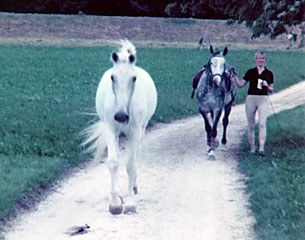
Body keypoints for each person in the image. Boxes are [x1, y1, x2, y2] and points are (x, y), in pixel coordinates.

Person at [231, 51, 274, 156]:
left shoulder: (269, 73)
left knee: (263, 124)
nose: (261, 60)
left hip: (263, 99)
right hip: (251, 98)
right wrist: (234, 77)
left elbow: (271, 90)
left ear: (265, 60)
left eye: (263, 58)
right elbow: (241, 85)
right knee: (251, 125)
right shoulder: (251, 72)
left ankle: (261, 148)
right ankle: (252, 148)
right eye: (259, 58)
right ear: (256, 60)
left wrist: (266, 85)